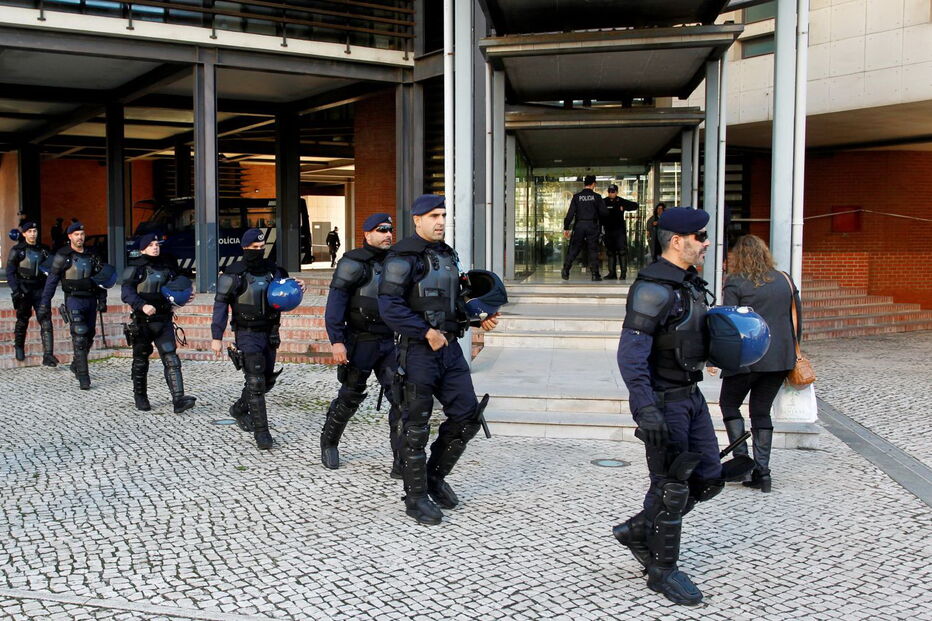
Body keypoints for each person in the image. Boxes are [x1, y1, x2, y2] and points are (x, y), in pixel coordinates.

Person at [613, 207, 726, 606]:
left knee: (710, 476)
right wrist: (645, 409)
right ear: (677, 241)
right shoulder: (653, 289)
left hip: (690, 395)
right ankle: (662, 570)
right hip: (663, 401)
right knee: (671, 486)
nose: (706, 243)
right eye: (700, 237)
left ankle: (639, 531)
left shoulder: (688, 284)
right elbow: (630, 356)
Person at [378, 194, 500, 526]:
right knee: (416, 426)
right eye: (433, 215)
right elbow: (389, 306)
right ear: (416, 219)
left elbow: (456, 299)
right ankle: (415, 497)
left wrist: (477, 317)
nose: (441, 221)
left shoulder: (447, 255)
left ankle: (432, 477)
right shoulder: (402, 257)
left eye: (444, 214)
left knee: (467, 416)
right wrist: (423, 332)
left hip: (449, 349)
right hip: (417, 352)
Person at [717, 235, 801, 493]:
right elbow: (797, 318)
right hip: (779, 358)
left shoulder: (736, 283)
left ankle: (743, 463)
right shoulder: (784, 279)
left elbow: (728, 325)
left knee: (729, 404)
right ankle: (763, 473)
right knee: (761, 411)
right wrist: (793, 349)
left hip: (746, 357)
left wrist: (717, 358)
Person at [210, 229, 305, 450]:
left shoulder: (274, 271)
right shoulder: (233, 274)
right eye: (254, 249)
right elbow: (221, 305)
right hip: (246, 333)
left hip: (270, 331)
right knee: (255, 380)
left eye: (261, 248)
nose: (259, 252)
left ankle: (240, 408)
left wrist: (300, 288)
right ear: (244, 248)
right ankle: (262, 433)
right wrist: (217, 336)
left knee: (268, 379)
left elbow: (287, 292)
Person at [321, 213, 401, 473]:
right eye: (381, 230)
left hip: (389, 342)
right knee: (350, 396)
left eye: (390, 230)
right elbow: (335, 303)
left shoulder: (397, 261)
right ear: (367, 234)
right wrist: (337, 341)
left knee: (401, 398)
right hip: (360, 340)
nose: (388, 234)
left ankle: (402, 460)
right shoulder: (352, 262)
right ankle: (329, 442)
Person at [121, 233, 197, 414]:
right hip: (142, 322)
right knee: (140, 361)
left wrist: (185, 296)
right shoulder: (135, 268)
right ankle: (140, 396)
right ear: (142, 249)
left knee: (171, 359)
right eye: (151, 245)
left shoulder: (167, 266)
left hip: (164, 319)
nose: (155, 247)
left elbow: (177, 286)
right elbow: (126, 293)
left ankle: (178, 399)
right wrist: (142, 305)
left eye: (157, 244)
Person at [38, 221, 111, 390]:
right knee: (79, 335)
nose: (80, 237)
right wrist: (44, 304)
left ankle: (76, 363)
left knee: (90, 335)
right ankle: (83, 377)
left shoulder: (93, 255)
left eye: (82, 234)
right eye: (76, 234)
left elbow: (101, 279)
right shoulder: (63, 255)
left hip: (91, 299)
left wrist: (103, 299)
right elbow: (51, 281)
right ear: (70, 236)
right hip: (73, 299)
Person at [5, 221, 57, 366]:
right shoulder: (17, 250)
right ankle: (19, 346)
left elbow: (52, 271)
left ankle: (48, 355)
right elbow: (10, 272)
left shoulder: (44, 250)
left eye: (35, 231)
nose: (33, 234)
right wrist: (16, 290)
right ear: (24, 234)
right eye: (30, 231)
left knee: (45, 320)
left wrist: (47, 290)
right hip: (23, 288)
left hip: (40, 289)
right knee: (23, 319)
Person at [561, 175, 607, 281]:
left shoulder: (577, 197)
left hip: (579, 225)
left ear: (584, 184)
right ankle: (595, 274)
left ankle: (566, 269)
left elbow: (570, 214)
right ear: (593, 184)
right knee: (593, 249)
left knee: (574, 248)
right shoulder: (597, 197)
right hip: (592, 225)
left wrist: (566, 228)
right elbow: (604, 213)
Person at [602, 185, 639, 280]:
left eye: (613, 191)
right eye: (610, 191)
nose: (611, 193)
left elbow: (635, 205)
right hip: (608, 231)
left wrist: (624, 207)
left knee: (622, 252)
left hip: (619, 231)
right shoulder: (604, 201)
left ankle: (623, 274)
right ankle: (612, 273)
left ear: (617, 192)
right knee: (610, 252)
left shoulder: (620, 201)